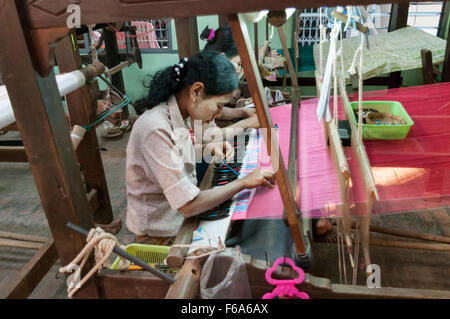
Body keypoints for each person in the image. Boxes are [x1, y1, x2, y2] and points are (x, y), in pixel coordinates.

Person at [126, 51, 275, 245]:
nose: (219, 114)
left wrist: (208, 149)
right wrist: (243, 182)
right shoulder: (154, 128)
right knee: (246, 241)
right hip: (161, 232)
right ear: (196, 91)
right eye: (218, 106)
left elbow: (173, 157)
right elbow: (187, 206)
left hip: (177, 214)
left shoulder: (179, 113)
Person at [201, 25, 334, 239]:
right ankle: (299, 217)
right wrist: (248, 123)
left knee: (274, 157)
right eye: (237, 64)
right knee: (266, 166)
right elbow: (207, 135)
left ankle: (310, 213)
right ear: (224, 57)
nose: (239, 69)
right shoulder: (204, 80)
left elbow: (217, 110)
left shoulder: (211, 73)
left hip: (209, 147)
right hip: (203, 159)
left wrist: (239, 111)